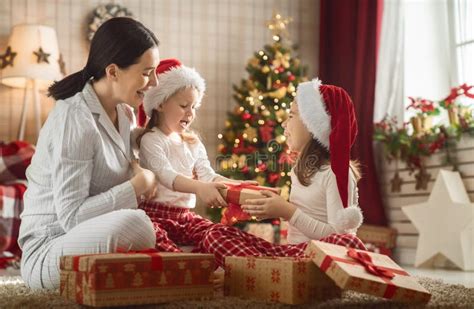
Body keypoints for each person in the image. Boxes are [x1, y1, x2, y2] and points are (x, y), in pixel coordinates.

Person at [18, 17, 160, 290]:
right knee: (137, 224)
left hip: (88, 242)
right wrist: (136, 186)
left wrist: (139, 165)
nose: (153, 82)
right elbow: (71, 218)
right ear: (113, 71)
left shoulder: (124, 113)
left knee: (161, 226)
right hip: (50, 249)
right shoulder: (75, 117)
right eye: (146, 72)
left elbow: (127, 161)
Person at [200, 79, 367, 267]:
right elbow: (301, 219)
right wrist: (272, 208)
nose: (285, 125)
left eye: (291, 116)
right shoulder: (299, 169)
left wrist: (287, 211)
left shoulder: (335, 173)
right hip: (291, 254)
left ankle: (260, 274)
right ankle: (268, 274)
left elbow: (338, 237)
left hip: (318, 257)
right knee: (215, 235)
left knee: (347, 242)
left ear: (313, 125)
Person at [135, 58, 255, 255]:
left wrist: (238, 186)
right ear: (160, 103)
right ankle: (187, 266)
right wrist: (200, 187)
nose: (190, 114)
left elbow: (207, 176)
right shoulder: (151, 140)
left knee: (219, 234)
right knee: (150, 236)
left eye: (194, 107)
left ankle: (234, 263)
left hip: (186, 217)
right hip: (155, 216)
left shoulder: (192, 142)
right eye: (184, 105)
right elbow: (167, 176)